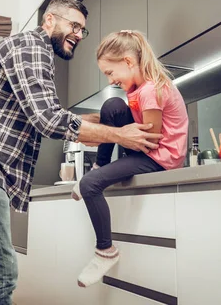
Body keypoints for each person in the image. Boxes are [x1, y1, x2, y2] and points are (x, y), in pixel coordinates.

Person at [0, 0, 163, 305]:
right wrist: (119, 134)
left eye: (83, 30)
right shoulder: (32, 48)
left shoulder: (32, 50)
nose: (79, 34)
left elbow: (46, 113)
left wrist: (104, 123)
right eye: (74, 25)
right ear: (49, 21)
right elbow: (49, 120)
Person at [71, 30, 189, 287]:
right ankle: (99, 164)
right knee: (111, 106)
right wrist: (102, 132)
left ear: (127, 62)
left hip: (159, 158)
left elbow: (151, 140)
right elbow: (130, 128)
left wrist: (112, 136)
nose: (111, 80)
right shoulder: (138, 88)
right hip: (146, 148)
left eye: (110, 73)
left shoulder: (150, 90)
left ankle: (105, 251)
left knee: (90, 184)